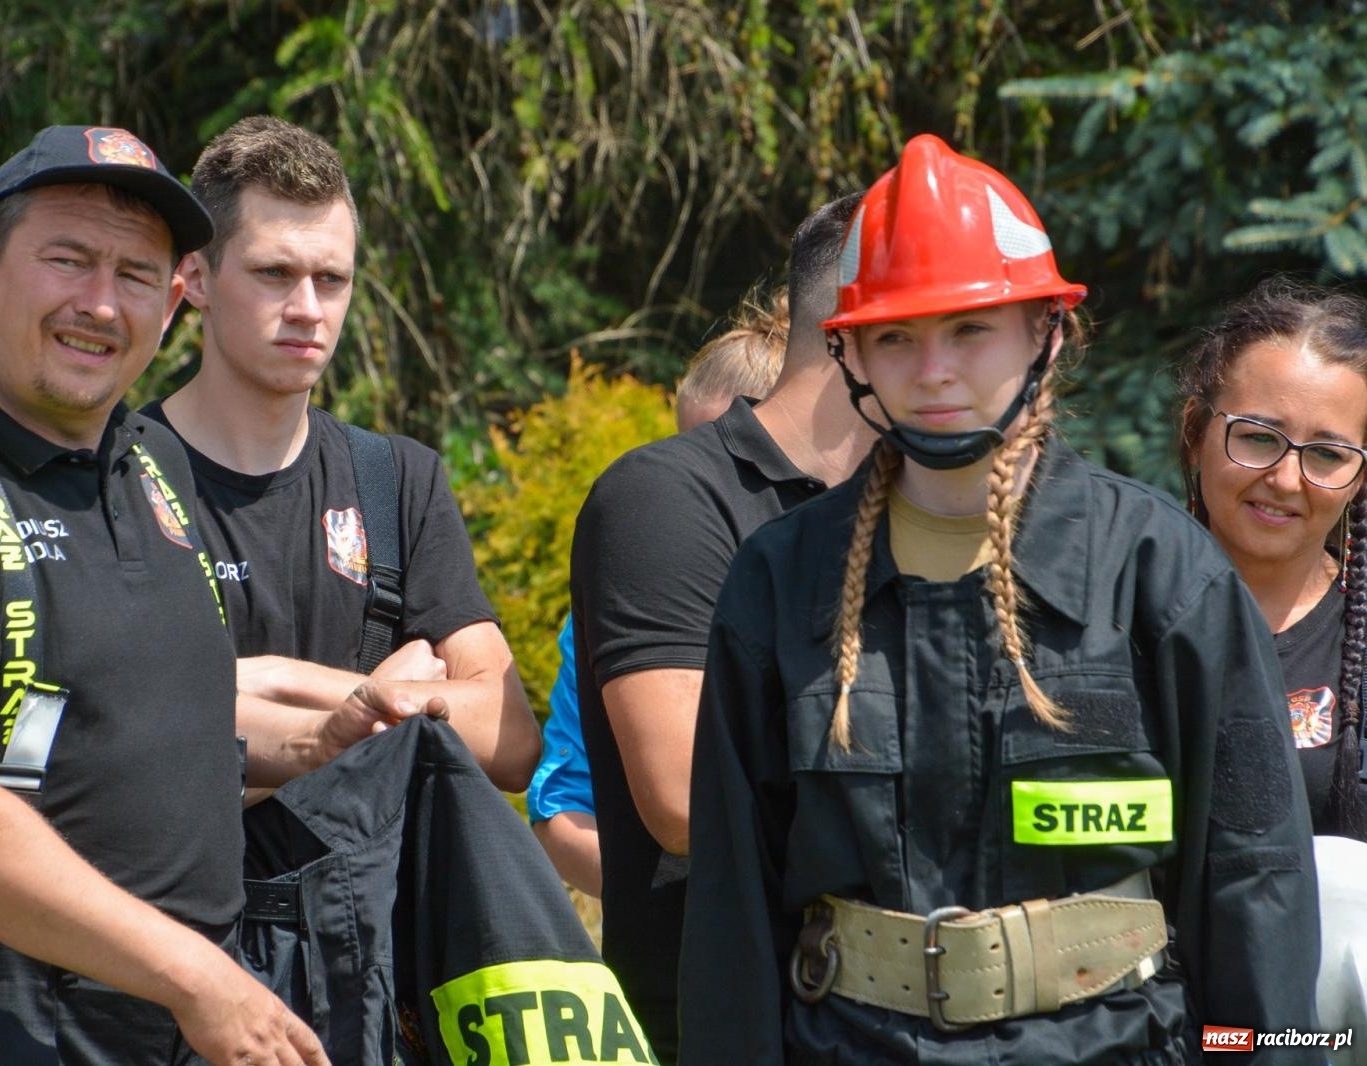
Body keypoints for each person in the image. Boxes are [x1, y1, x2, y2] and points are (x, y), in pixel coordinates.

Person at [680, 134, 1322, 1064]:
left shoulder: (1162, 577)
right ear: (849, 353)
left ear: (1047, 333)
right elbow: (732, 913)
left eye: (970, 330)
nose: (933, 371)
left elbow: (1254, 891)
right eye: (895, 337)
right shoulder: (780, 584)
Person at [0, 125, 358, 1064]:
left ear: (174, 302)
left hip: (166, 1017)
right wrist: (199, 978)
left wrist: (316, 745)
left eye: (135, 275)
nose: (99, 303)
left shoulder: (151, 470)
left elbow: (124, 732)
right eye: (68, 259)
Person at [143, 115, 538, 794]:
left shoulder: (396, 482)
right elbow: (125, 735)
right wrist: (381, 695)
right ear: (196, 280)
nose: (307, 308)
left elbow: (510, 738)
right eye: (274, 273)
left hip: (362, 900)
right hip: (173, 898)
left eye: (331, 280)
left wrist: (287, 683)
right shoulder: (115, 477)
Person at [570, 200, 874, 1059]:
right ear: (865, 323)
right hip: (736, 1025)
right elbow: (681, 797)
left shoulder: (928, 509)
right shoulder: (668, 498)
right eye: (954, 324)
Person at [529, 289, 791, 898]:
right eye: (685, 450)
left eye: (730, 459)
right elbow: (561, 811)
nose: (697, 483)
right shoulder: (619, 606)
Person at [1176, 280, 1367, 1063]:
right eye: (1257, 437)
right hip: (1159, 1031)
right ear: (1195, 432)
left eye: (1328, 455)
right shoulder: (1106, 628)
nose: (1287, 480)